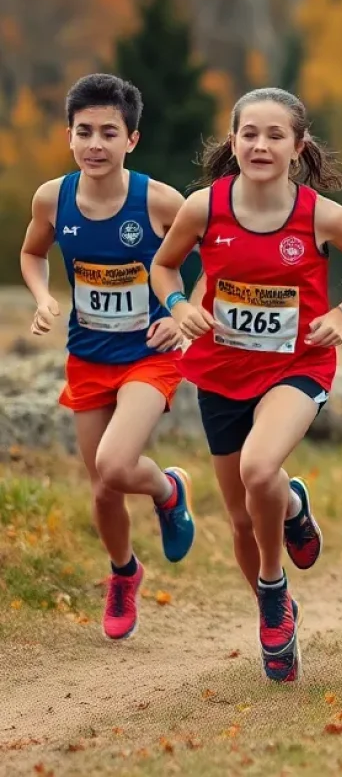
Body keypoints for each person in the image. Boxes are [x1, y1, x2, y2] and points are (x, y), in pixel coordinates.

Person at [151, 88, 342, 682]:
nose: (261, 145)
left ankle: (270, 586)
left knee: (259, 467)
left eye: (274, 135)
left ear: (297, 146)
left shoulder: (321, 215)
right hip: (221, 370)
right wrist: (180, 303)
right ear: (232, 142)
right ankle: (285, 544)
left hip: (297, 366)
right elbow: (162, 266)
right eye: (249, 134)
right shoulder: (203, 208)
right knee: (241, 516)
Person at [19, 74, 195, 642]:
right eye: (84, 132)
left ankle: (168, 490)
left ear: (131, 140)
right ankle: (124, 573)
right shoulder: (53, 197)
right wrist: (44, 295)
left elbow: (217, 255)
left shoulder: (160, 201)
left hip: (149, 354)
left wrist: (181, 310)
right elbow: (30, 252)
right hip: (87, 355)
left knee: (118, 465)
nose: (95, 144)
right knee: (102, 488)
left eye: (108, 133)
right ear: (69, 136)